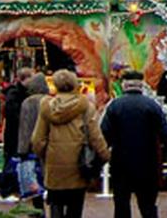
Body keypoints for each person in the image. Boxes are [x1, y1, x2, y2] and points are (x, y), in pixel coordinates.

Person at [101, 70, 167, 218]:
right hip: (147, 163)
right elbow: (165, 130)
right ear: (141, 86)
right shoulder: (151, 105)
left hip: (121, 163)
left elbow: (104, 134)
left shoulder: (114, 106)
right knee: (148, 205)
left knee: (121, 204)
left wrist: (100, 157)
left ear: (124, 86)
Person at [32, 69, 109, 218]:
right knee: (75, 206)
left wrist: (44, 155)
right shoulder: (85, 106)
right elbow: (95, 136)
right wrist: (105, 155)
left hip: (54, 165)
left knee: (56, 205)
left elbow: (38, 139)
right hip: (78, 165)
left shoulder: (46, 107)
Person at [0, 67, 34, 201]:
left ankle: (21, 188)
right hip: (15, 134)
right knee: (12, 160)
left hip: (20, 133)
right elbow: (13, 114)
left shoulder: (22, 93)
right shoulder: (14, 94)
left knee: (22, 161)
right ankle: (6, 190)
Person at [18, 73, 50, 214]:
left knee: (32, 183)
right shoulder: (50, 101)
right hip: (48, 147)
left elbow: (24, 128)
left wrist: (22, 149)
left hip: (31, 148)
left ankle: (37, 212)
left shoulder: (27, 103)